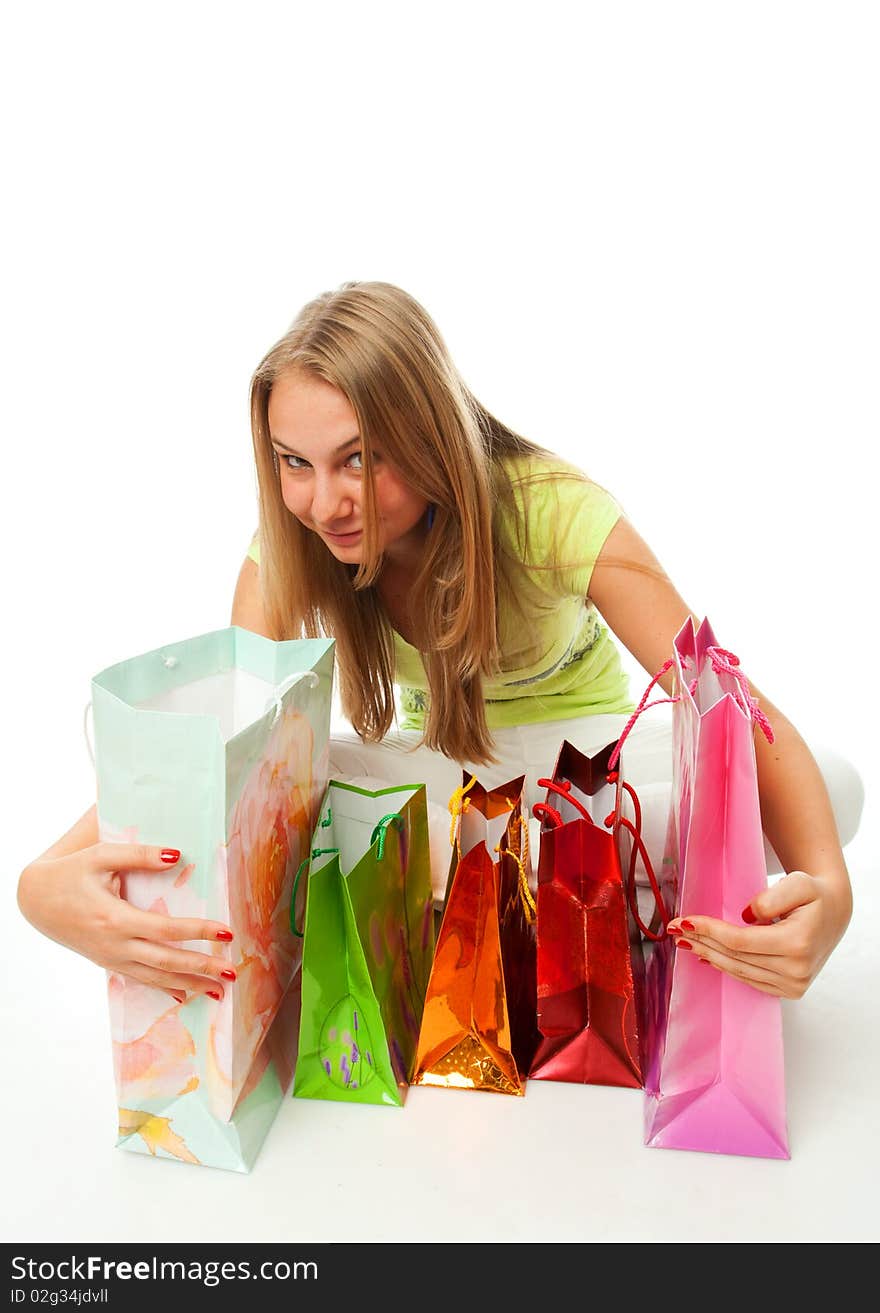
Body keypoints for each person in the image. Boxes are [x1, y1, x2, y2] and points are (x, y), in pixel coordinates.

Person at [18, 280, 860, 1006]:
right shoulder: (291, 542)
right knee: (277, 795)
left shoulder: (550, 510)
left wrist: (832, 891)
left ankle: (487, 901)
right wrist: (43, 882)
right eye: (293, 462)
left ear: (426, 430)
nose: (324, 503)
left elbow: (727, 706)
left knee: (826, 785)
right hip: (440, 782)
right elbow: (228, 747)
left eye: (359, 458)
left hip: (589, 779)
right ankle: (557, 910)